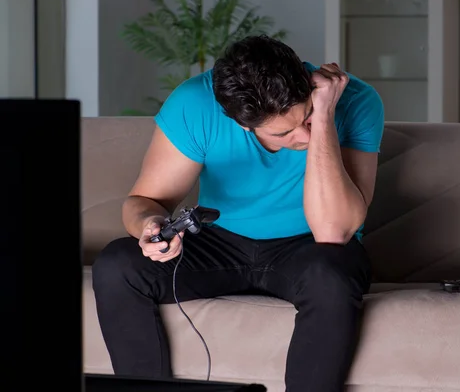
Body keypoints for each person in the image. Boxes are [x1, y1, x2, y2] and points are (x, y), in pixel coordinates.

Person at [91, 34, 385, 392]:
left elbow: (333, 232)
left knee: (331, 276)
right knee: (117, 264)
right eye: (284, 132)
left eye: (305, 117)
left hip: (311, 249)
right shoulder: (195, 104)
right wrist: (149, 226)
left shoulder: (355, 100)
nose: (304, 138)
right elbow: (143, 201)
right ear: (243, 123)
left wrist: (323, 115)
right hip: (221, 242)